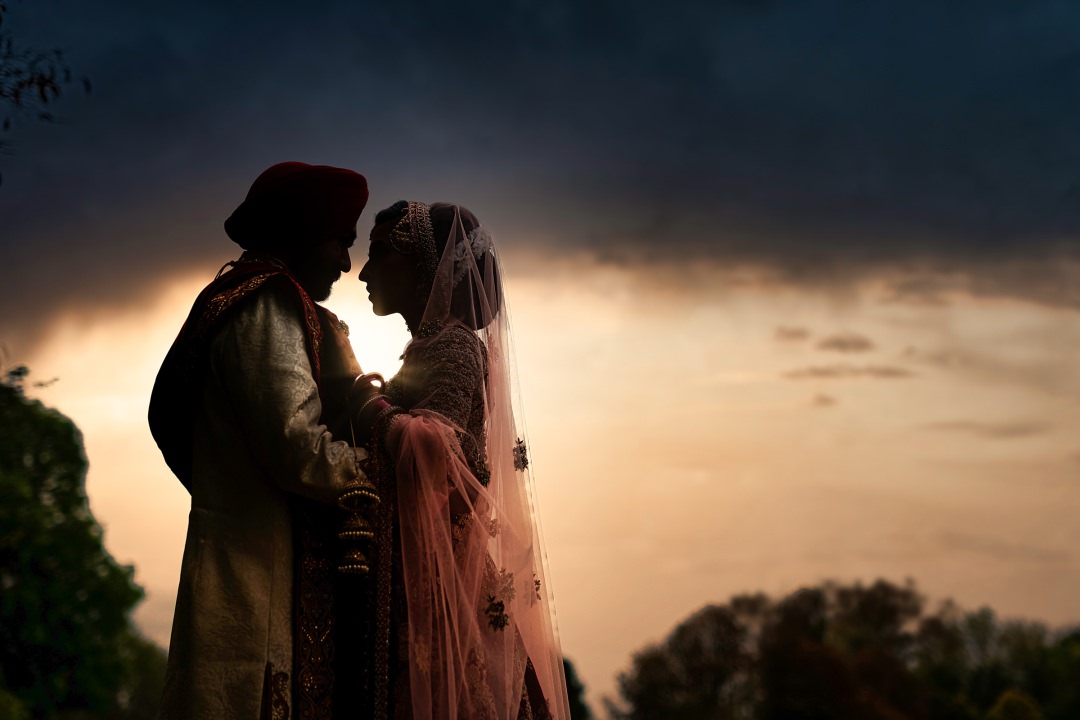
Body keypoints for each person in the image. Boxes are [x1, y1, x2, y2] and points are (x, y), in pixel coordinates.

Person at [148, 161, 379, 719]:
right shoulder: (266, 304)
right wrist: (396, 463)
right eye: (340, 241)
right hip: (260, 578)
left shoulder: (261, 301)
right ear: (303, 233)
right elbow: (298, 450)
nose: (348, 265)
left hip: (260, 559)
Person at [342, 201, 572, 720]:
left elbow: (435, 448)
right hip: (423, 554)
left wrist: (364, 401)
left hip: (439, 564)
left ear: (425, 265)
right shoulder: (433, 345)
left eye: (381, 256)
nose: (365, 273)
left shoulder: (453, 346)